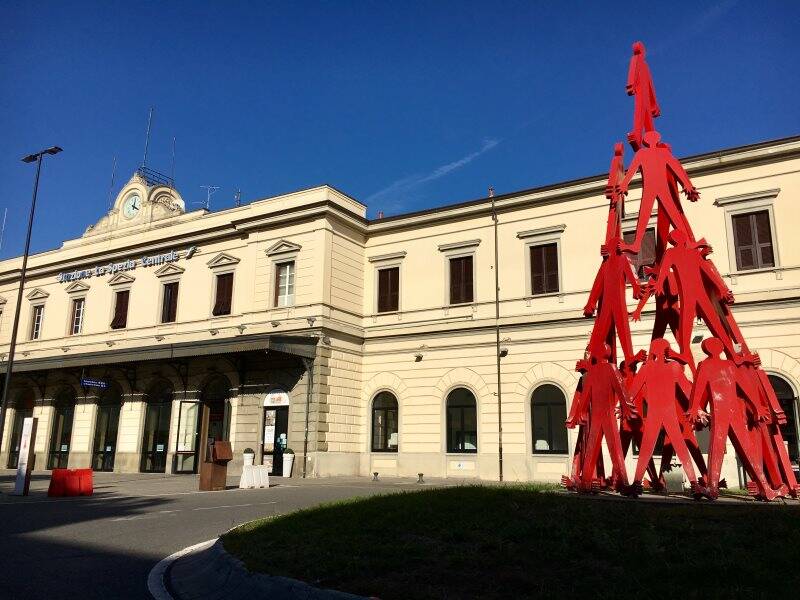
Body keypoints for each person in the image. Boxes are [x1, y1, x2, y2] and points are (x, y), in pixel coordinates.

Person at [688, 338, 783, 500]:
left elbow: (699, 388)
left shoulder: (706, 365)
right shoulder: (730, 365)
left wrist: (694, 407)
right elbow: (744, 387)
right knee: (748, 449)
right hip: (734, 413)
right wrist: (756, 406)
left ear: (706, 350)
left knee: (716, 449)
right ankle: (766, 488)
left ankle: (712, 488)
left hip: (720, 413)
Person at [626, 338, 705, 497]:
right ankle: (694, 484)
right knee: (681, 448)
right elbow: (687, 390)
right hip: (669, 413)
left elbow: (632, 392)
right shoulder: (674, 367)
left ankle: (636, 484)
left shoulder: (647, 368)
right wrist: (699, 409)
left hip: (655, 412)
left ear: (653, 351)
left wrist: (624, 406)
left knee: (646, 448)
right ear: (668, 350)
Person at [618, 131, 699, 256]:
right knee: (649, 213)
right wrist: (624, 184)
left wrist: (687, 184)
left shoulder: (651, 153)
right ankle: (637, 244)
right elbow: (633, 169)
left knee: (660, 213)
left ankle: (637, 244)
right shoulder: (651, 153)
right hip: (655, 187)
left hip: (658, 187)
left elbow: (675, 167)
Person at [626, 41, 660, 150]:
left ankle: (654, 143)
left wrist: (654, 104)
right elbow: (633, 73)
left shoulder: (645, 66)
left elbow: (650, 85)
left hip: (646, 95)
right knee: (639, 114)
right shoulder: (636, 59)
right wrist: (631, 86)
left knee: (648, 120)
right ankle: (637, 135)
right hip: (640, 93)